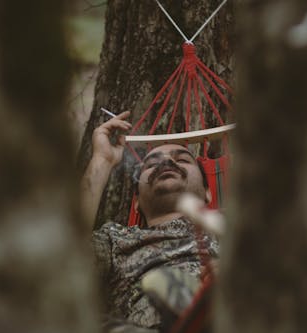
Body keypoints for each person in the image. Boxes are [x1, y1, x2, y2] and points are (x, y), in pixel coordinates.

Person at [81, 111, 219, 331]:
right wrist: (102, 160)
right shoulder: (116, 239)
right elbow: (60, 258)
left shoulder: (236, 233)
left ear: (207, 192)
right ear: (136, 202)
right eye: (151, 164)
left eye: (182, 159)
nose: (166, 161)